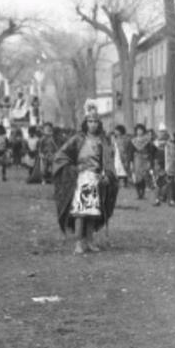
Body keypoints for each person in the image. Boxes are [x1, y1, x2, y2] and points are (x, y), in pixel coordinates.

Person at [52, 100, 119, 254]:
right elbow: (61, 155)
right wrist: (73, 168)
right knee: (80, 212)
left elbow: (108, 161)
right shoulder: (78, 139)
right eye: (90, 121)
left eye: (96, 121)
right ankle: (78, 243)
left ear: (99, 123)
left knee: (92, 213)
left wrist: (107, 175)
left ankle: (89, 241)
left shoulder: (103, 141)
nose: (93, 124)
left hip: (95, 179)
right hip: (81, 179)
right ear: (85, 123)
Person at [130, 124, 153, 200]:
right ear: (136, 131)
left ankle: (142, 193)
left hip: (145, 159)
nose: (139, 131)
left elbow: (150, 151)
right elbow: (131, 152)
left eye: (141, 130)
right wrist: (130, 162)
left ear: (143, 131)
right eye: (138, 130)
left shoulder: (146, 140)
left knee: (144, 176)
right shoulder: (133, 141)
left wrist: (149, 160)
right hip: (136, 160)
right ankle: (138, 193)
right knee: (137, 177)